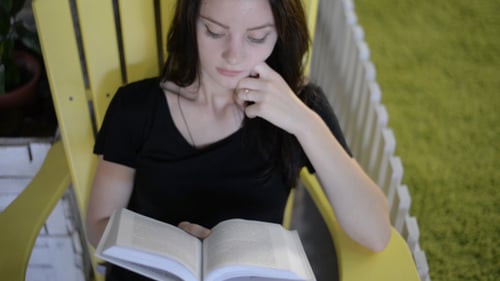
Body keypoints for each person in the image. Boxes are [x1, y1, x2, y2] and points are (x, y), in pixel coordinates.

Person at [86, 0, 392, 280]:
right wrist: (168, 244)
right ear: (190, 22)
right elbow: (98, 224)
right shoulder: (136, 108)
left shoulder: (300, 111)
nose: (233, 55)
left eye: (257, 37)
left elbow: (375, 233)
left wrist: (305, 124)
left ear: (280, 35)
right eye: (214, 31)